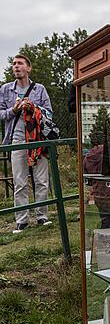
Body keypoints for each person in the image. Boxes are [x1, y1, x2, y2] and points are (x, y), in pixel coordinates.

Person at [0, 54, 53, 233]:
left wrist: (34, 108)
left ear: (28, 68)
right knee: (19, 181)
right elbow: (0, 114)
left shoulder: (39, 89)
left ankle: (42, 216)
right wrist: (13, 110)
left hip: (38, 139)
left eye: (20, 63)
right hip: (17, 139)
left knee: (41, 180)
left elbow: (49, 113)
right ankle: (21, 220)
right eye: (14, 63)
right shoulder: (6, 89)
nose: (16, 66)